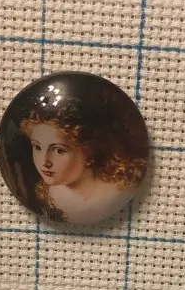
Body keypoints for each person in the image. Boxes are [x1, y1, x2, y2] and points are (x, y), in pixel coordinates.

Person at [12, 78, 148, 224]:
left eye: (58, 150)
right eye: (38, 147)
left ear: (89, 153)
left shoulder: (120, 190)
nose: (45, 162)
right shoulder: (47, 196)